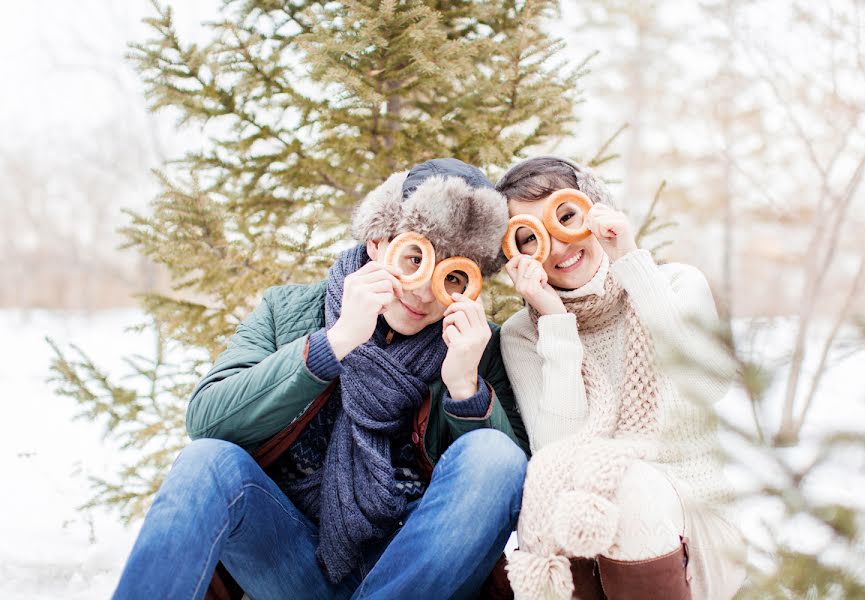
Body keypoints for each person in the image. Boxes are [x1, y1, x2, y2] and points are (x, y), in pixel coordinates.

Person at [112, 158, 530, 600]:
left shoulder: (477, 345)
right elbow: (208, 419)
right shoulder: (287, 311)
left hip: (417, 570)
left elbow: (504, 486)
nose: (425, 292)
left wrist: (466, 388)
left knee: (496, 454)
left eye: (453, 275)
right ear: (376, 242)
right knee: (206, 463)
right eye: (414, 258)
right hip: (294, 561)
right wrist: (333, 343)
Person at [496, 157, 745, 599]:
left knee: (627, 485)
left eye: (566, 216)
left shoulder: (676, 284)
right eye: (531, 237)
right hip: (588, 536)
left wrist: (631, 262)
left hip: (697, 525)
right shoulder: (524, 332)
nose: (556, 247)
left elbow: (707, 385)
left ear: (597, 211)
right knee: (574, 491)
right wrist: (556, 324)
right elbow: (559, 451)